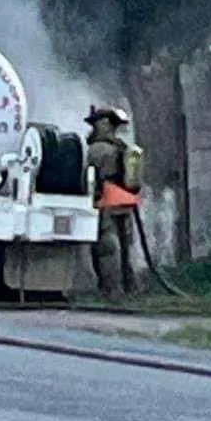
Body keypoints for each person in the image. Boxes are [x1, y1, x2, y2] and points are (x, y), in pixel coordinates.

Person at [85, 106, 139, 301]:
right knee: (125, 247)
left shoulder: (95, 150)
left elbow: (90, 179)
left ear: (103, 124)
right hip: (123, 203)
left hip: (105, 204)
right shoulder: (121, 147)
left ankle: (112, 290)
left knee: (107, 247)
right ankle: (129, 287)